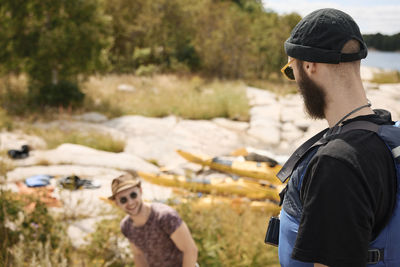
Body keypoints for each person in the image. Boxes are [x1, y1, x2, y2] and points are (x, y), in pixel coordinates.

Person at [275, 8, 399, 267]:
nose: (295, 81)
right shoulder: (388, 133)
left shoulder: (338, 163)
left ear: (309, 65)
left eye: (291, 70)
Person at [109, 173, 198, 267]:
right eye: (123, 200)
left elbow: (190, 250)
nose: (130, 202)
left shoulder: (165, 216)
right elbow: (138, 255)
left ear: (140, 191)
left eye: (133, 195)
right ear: (117, 203)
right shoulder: (126, 226)